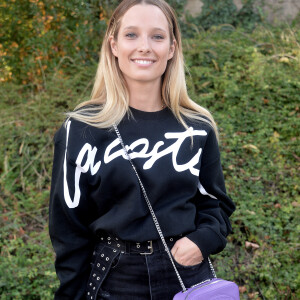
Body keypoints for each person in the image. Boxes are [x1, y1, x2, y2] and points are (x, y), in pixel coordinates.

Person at [49, 0, 236, 299]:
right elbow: (68, 230)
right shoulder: (81, 130)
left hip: (187, 274)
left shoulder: (196, 127)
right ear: (113, 44)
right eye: (132, 34)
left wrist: (203, 240)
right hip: (115, 278)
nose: (145, 47)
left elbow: (216, 204)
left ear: (172, 48)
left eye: (157, 36)